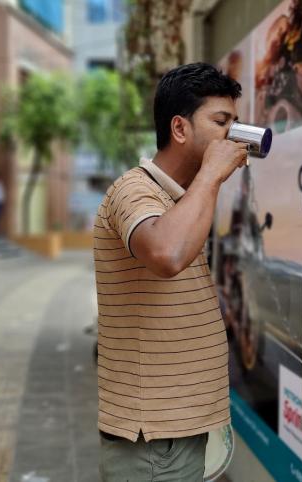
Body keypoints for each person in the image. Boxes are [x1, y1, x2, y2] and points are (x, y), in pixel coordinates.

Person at [94, 63, 248, 481]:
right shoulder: (133, 190)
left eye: (235, 122)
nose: (233, 135)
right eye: (221, 122)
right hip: (154, 444)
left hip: (177, 432)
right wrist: (213, 175)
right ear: (180, 129)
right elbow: (166, 253)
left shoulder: (180, 196)